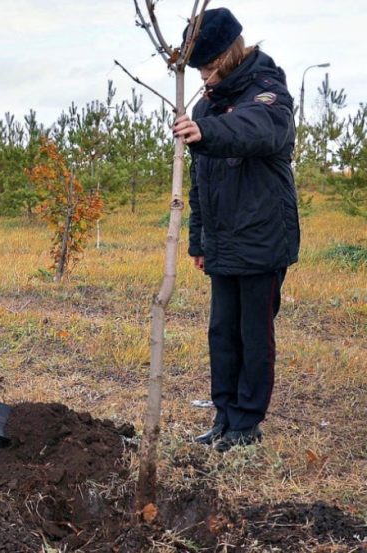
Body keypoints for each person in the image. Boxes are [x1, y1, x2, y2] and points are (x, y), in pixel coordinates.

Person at [173, 7, 300, 452]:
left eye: (209, 67)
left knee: (253, 335)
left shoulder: (268, 92)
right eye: (200, 69)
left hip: (263, 239)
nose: (204, 78)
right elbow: (200, 183)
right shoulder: (208, 104)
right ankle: (223, 416)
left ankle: (247, 424)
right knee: (222, 333)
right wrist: (198, 240)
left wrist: (205, 132)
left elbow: (256, 131)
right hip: (222, 243)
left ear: (228, 56)